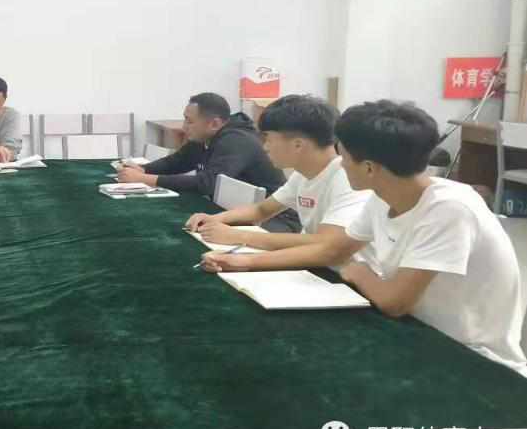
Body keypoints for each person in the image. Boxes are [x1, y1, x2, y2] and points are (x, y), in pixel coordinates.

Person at [274, 100, 524, 374]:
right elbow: (336, 249)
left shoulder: (450, 209)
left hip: (475, 359)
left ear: (369, 168)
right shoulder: (382, 197)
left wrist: (362, 273)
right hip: (419, 335)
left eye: (343, 157)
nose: (340, 164)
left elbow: (394, 302)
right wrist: (245, 262)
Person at [191, 95, 372, 272]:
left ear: (298, 144)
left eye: (269, 138)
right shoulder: (303, 173)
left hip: (347, 277)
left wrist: (239, 236)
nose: (265, 147)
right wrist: (215, 219)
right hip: (317, 266)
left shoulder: (347, 177)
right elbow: (262, 210)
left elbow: (327, 242)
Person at [117, 92, 300, 233]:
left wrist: (145, 179)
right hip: (235, 210)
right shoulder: (204, 136)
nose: (184, 127)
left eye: (190, 121)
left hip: (277, 220)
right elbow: (178, 161)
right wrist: (144, 170)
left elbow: (208, 182)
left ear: (214, 124)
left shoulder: (235, 140)